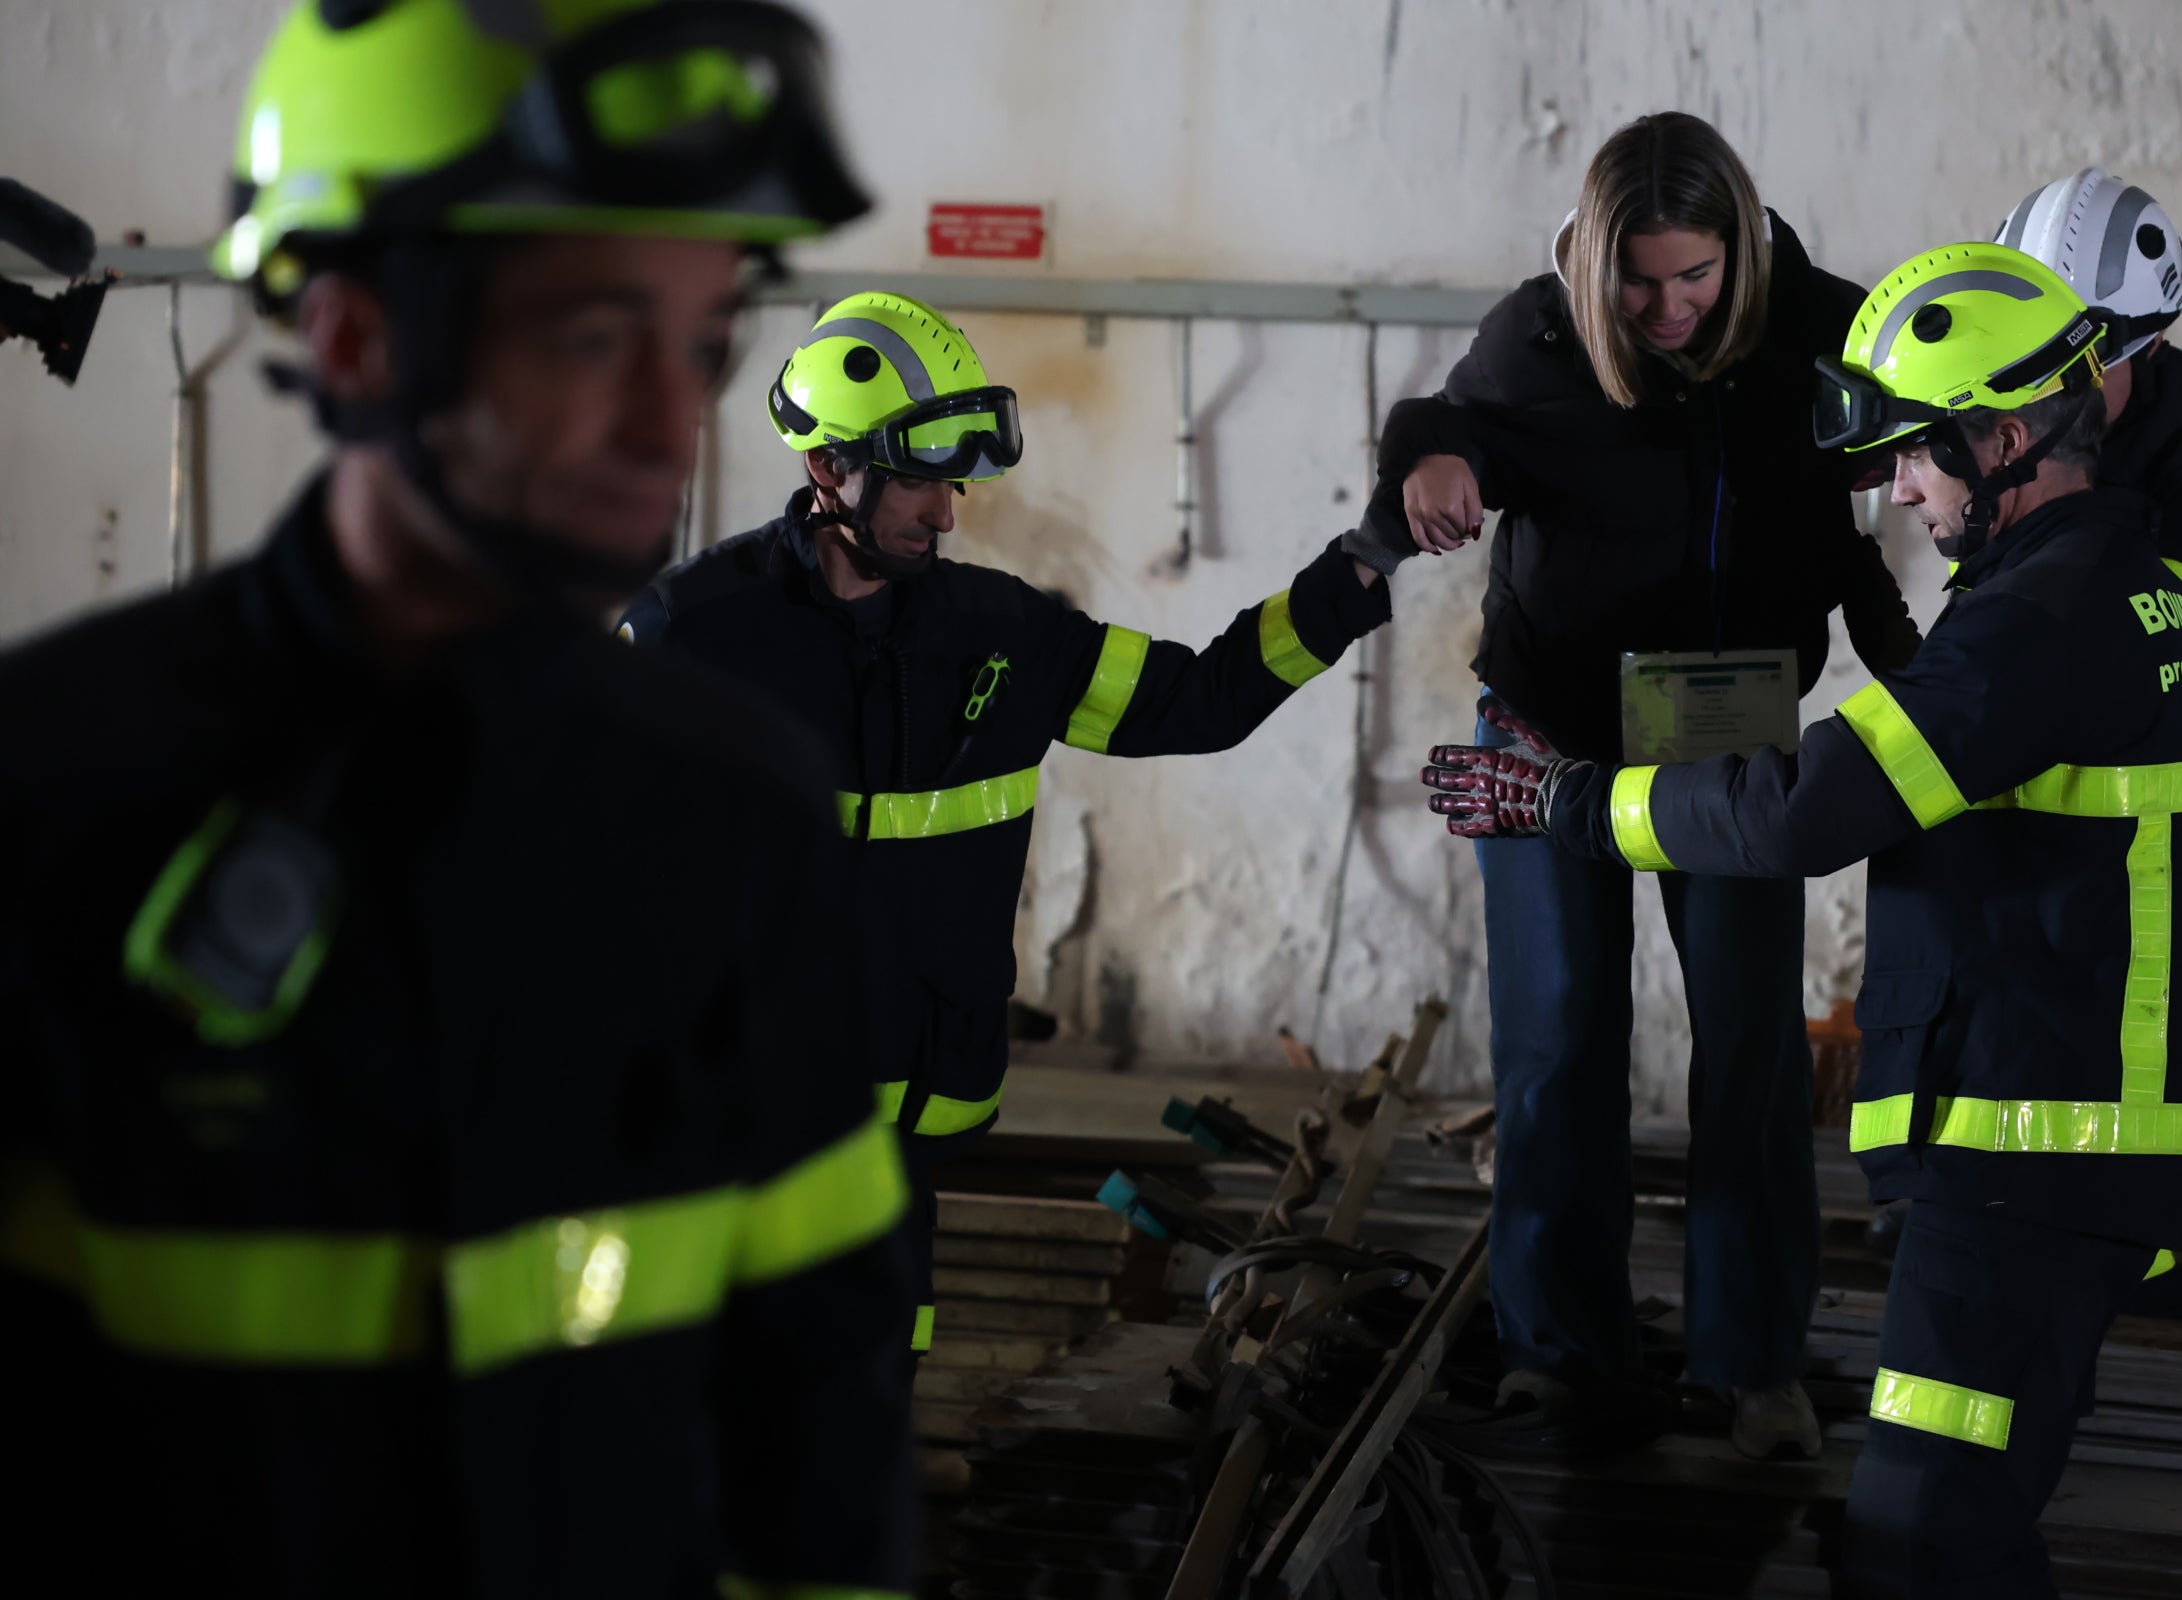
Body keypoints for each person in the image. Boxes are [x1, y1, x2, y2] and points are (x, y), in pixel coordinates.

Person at [0, 3, 920, 1595]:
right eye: (589, 335)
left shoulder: (740, 816)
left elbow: (820, 1414)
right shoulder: (56, 792)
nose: (667, 421)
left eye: (700, 344)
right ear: (355, 336)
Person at [1424, 242, 2182, 1597]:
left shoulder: (2044, 617)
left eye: (1919, 456)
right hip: (2065, 1144)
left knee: (1924, 1540)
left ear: (2012, 435)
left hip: (2024, 1161)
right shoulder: (2135, 591)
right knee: (1955, 1535)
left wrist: (1565, 805)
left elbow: (1808, 807)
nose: (1901, 492)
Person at [617, 290, 1394, 1355]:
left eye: (954, 487)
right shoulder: (689, 635)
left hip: (897, 1125)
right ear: (826, 470)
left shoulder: (1001, 635)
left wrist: (1358, 572)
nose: (946, 515)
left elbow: (1197, 701)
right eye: (920, 485)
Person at [1352, 110, 1919, 1460]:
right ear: (1595, 264)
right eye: (1638, 280)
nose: (1666, 308)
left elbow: (1927, 434)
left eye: (1695, 276)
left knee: (1752, 1048)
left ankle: (1754, 1361)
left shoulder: (1821, 328)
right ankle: (1560, 1352)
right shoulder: (1541, 337)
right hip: (1549, 730)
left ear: (1742, 250)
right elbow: (1451, 422)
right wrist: (1429, 467)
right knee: (1559, 1045)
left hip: (1730, 743)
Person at [1998, 169, 2182, 815]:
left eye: (2086, 366)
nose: (2055, 390)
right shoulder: (2016, 412)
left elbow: (2168, 661)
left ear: (2154, 339)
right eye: (2036, 358)